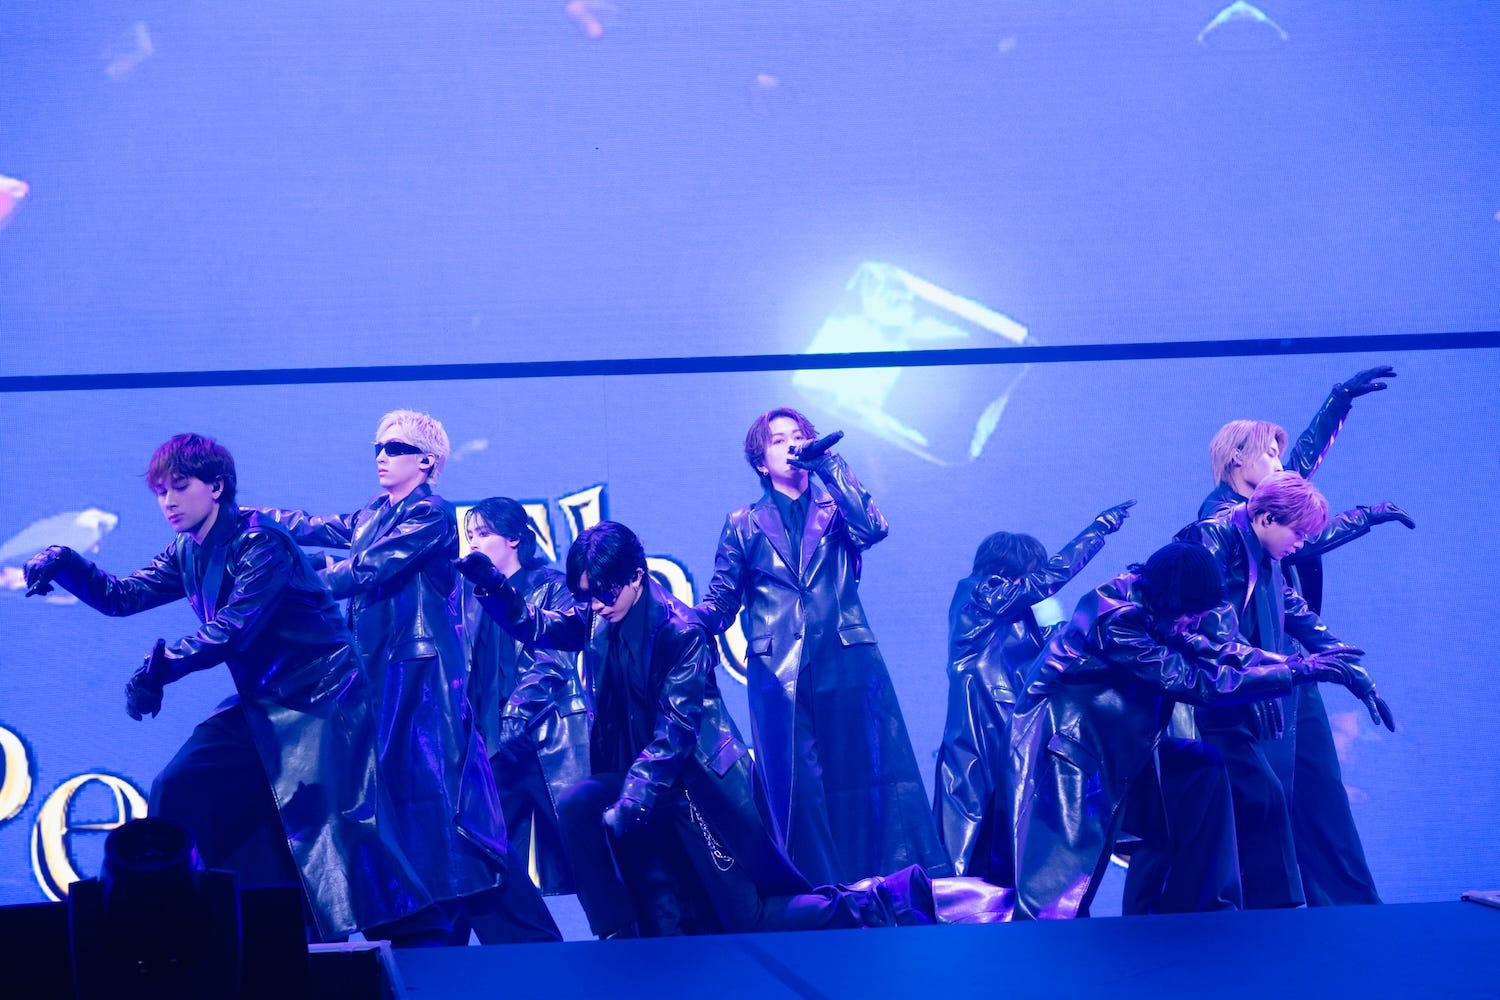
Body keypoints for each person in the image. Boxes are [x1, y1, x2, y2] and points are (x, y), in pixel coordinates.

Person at [22, 433, 430, 940]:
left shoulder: (261, 541)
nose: (168, 501)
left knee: (331, 847)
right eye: (160, 491)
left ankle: (401, 944)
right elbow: (122, 596)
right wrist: (65, 561)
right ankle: (190, 928)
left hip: (320, 703)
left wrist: (160, 667)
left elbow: (234, 627)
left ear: (216, 486)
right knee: (180, 785)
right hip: (264, 703)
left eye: (180, 486)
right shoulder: (187, 549)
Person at [459, 521, 935, 938]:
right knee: (578, 802)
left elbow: (676, 730)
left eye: (603, 594)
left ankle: (880, 900)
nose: (596, 606)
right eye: (587, 597)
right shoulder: (598, 615)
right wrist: (496, 587)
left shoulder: (679, 631)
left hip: (697, 787)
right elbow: (538, 625)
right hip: (641, 782)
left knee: (749, 920)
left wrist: (633, 798)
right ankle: (616, 934)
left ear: (636, 577)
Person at [251, 409, 558, 945]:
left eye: (394, 448)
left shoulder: (432, 516)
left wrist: (300, 585)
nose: (382, 457)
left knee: (447, 812)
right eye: (377, 447)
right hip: (382, 680)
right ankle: (432, 935)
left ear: (427, 461)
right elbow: (314, 525)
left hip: (422, 690)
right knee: (414, 817)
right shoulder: (375, 513)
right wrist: (249, 519)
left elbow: (368, 567)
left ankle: (513, 941)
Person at [987, 541, 1387, 921]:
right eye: (1191, 615)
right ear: (1172, 602)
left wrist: (1296, 665)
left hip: (1115, 750)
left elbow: (1218, 649)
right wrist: (1296, 673)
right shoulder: (1118, 620)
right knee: (1052, 905)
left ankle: (1202, 917)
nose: (1194, 624)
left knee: (1199, 768)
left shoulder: (1160, 608)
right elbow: (1194, 682)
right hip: (1065, 758)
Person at [693, 408, 949, 885]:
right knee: (800, 792)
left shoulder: (836, 508)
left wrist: (829, 465)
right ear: (760, 461)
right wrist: (684, 620)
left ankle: (885, 890)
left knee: (864, 780)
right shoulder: (743, 523)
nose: (791, 445)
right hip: (779, 672)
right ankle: (817, 896)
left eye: (798, 436)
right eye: (778, 440)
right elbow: (721, 600)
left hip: (847, 660)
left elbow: (874, 527)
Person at [1200, 367, 1413, 906]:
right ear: (1237, 459)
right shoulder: (1222, 519)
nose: (1280, 462)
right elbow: (1298, 532)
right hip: (1255, 680)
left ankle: (1347, 910)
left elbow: (1296, 495)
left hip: (1295, 669)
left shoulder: (1265, 510)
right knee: (1273, 805)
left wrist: (1338, 403)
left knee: (1322, 797)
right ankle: (1282, 913)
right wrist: (1365, 516)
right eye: (1269, 453)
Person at [1179, 471, 1396, 909]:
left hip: (1247, 685)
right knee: (1256, 803)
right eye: (1297, 534)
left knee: (1274, 800)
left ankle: (1284, 910)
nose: (1302, 545)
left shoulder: (1264, 551)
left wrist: (1348, 667)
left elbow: (1294, 610)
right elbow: (1212, 629)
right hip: (1207, 692)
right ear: (1266, 518)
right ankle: (1266, 912)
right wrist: (1262, 674)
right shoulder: (1213, 537)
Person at [934, 501, 1134, 876]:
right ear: (1008, 569)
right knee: (971, 814)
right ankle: (955, 894)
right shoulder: (980, 593)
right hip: (983, 725)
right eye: (1029, 572)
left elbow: (1055, 645)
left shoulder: (1012, 614)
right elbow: (1046, 581)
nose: (1034, 584)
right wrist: (1098, 530)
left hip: (1007, 723)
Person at [461, 497, 589, 895]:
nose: (474, 543)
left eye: (484, 534)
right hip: (492, 746)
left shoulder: (552, 585)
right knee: (496, 868)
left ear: (514, 537)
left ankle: (615, 932)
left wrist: (517, 710)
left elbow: (555, 658)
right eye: (469, 536)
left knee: (582, 860)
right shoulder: (468, 597)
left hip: (547, 737)